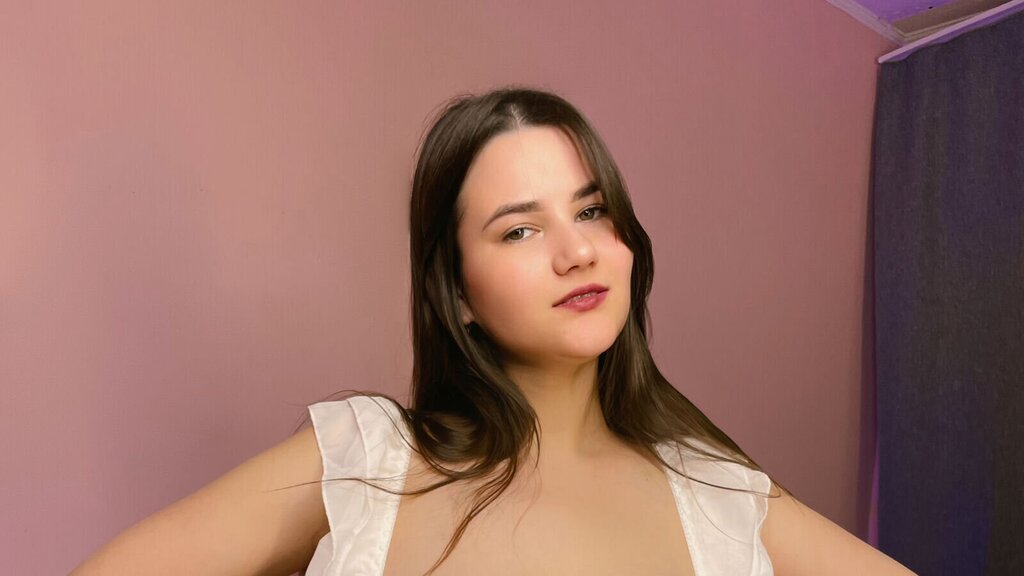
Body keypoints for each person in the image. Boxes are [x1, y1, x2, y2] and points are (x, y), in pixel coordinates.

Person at [72, 87, 916, 575]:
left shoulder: (718, 494)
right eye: (519, 229)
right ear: (459, 293)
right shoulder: (365, 459)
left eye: (592, 211)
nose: (577, 251)